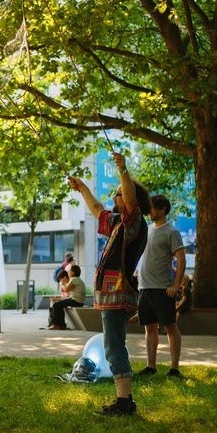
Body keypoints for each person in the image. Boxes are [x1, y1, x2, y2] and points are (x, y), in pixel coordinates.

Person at [67, 152, 149, 417]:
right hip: (110, 295)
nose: (115, 197)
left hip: (117, 294)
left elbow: (130, 198)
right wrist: (82, 189)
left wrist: (123, 171)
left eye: (118, 194)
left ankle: (124, 402)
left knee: (113, 346)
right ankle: (124, 400)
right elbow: (95, 209)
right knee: (113, 344)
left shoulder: (134, 222)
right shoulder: (116, 223)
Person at [136, 194, 186, 378]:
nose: (149, 211)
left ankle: (174, 368)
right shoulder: (147, 229)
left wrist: (176, 284)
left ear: (162, 208)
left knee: (170, 327)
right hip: (144, 288)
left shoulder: (171, 232)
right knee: (149, 328)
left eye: (151, 208)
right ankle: (151, 366)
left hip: (162, 289)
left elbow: (181, 259)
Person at [48, 265, 86, 330]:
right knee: (59, 305)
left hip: (76, 301)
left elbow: (66, 290)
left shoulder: (74, 279)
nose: (68, 272)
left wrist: (62, 283)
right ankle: (61, 325)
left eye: (70, 271)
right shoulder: (76, 279)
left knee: (56, 306)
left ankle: (57, 325)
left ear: (73, 272)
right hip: (76, 300)